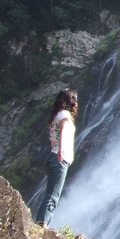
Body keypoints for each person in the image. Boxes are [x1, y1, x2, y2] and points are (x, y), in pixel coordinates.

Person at [35, 87, 78, 228]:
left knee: (51, 194)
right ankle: (42, 225)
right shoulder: (64, 114)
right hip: (59, 159)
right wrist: (61, 151)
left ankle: (41, 223)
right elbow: (65, 131)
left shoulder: (57, 115)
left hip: (53, 158)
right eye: (74, 100)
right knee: (53, 196)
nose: (76, 104)